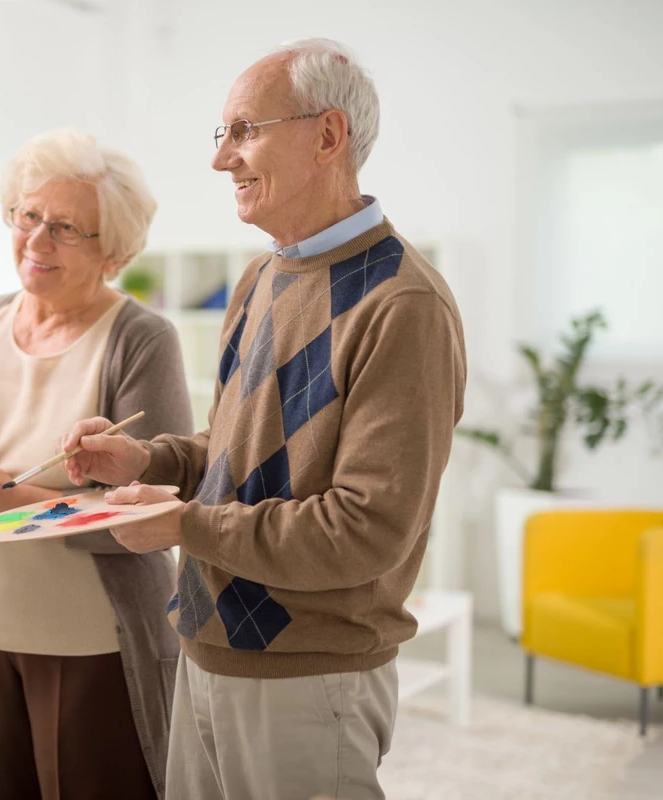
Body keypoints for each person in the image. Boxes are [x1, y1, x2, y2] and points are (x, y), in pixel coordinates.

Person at [60, 39, 467, 800]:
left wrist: (183, 526)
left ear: (328, 135)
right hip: (205, 648)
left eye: (244, 131)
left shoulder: (403, 305)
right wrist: (145, 460)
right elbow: (232, 453)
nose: (222, 160)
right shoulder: (259, 276)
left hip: (308, 677)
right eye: (223, 134)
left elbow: (364, 530)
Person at [0, 128, 193, 800]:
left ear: (112, 251)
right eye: (28, 216)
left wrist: (0, 498)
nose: (37, 240)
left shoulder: (140, 338)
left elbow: (152, 515)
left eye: (66, 227)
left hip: (94, 644)